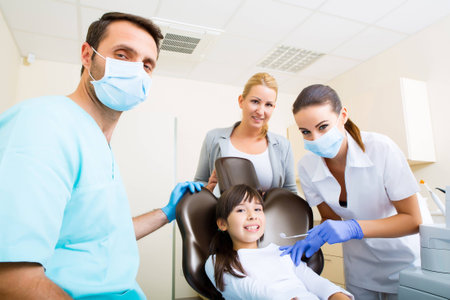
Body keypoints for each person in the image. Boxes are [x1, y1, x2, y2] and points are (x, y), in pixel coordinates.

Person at [0, 12, 203, 299]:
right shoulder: (44, 124)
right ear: (87, 55)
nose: (136, 71)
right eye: (122, 55)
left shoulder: (96, 142)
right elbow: (12, 280)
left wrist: (167, 212)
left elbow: (99, 239)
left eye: (147, 65)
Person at [280, 84, 423, 300]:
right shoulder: (307, 167)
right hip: (360, 270)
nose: (315, 138)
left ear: (343, 115)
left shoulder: (381, 149)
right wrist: (314, 238)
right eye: (306, 132)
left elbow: (412, 220)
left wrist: (354, 227)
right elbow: (330, 218)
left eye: (323, 127)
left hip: (404, 263)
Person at [205, 184, 353, 300]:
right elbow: (255, 293)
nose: (252, 216)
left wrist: (337, 295)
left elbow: (317, 283)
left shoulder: (281, 252)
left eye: (257, 209)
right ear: (222, 224)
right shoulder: (217, 262)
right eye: (241, 210)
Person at [194, 72, 297, 194]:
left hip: (267, 213)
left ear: (273, 108)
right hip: (220, 213)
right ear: (241, 101)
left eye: (268, 104)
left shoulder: (283, 145)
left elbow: (290, 192)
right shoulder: (214, 138)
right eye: (255, 101)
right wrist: (208, 190)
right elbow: (200, 183)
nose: (261, 111)